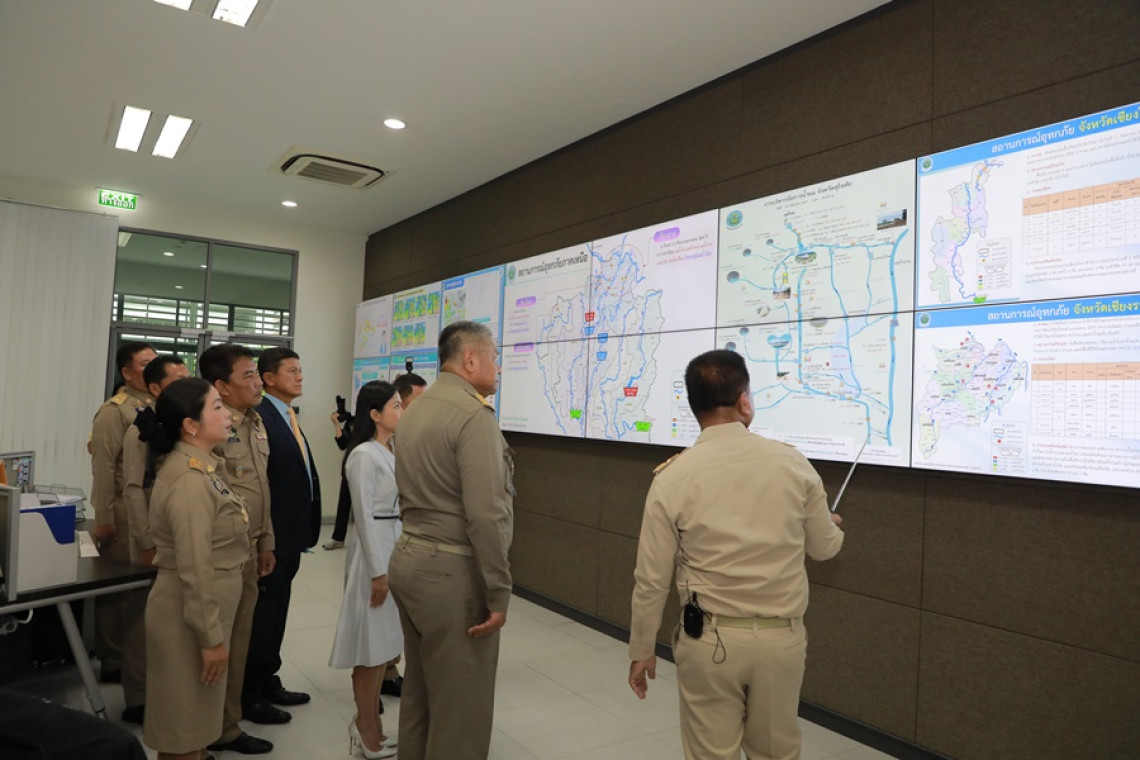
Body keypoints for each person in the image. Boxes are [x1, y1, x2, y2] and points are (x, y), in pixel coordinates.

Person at [627, 350, 845, 760]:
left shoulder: (673, 477)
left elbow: (651, 580)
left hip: (709, 642)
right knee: (777, 753)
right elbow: (824, 548)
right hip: (781, 641)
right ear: (744, 401)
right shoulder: (794, 464)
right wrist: (831, 525)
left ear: (692, 407)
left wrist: (641, 650)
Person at [389, 321, 514, 760]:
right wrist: (498, 591)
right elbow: (486, 515)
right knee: (461, 712)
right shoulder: (472, 416)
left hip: (410, 559)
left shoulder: (415, 409)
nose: (498, 367)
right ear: (471, 359)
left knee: (421, 696)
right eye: (494, 357)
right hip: (451, 574)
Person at [135, 378, 250, 760]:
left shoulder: (203, 468)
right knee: (183, 731)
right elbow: (195, 567)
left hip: (202, 615)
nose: (227, 414)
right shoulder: (188, 479)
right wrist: (210, 638)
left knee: (195, 725)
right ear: (190, 425)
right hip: (190, 619)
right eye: (217, 406)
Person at [198, 344, 277, 754]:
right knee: (217, 643)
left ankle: (227, 724)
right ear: (221, 386)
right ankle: (206, 729)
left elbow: (261, 486)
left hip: (250, 546)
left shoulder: (255, 420)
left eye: (257, 374)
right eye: (248, 376)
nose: (258, 382)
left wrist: (267, 540)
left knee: (240, 640)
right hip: (222, 553)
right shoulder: (209, 427)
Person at [328, 381, 405, 759]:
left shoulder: (389, 449)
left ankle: (371, 726)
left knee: (384, 646)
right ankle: (365, 727)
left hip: (393, 548)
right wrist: (378, 572)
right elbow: (363, 516)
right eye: (396, 405)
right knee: (370, 647)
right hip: (373, 557)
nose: (402, 411)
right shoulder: (362, 455)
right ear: (375, 414)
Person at [244, 348, 321, 721]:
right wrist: (267, 540)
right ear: (269, 378)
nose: (300, 376)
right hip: (273, 536)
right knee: (264, 614)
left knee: (277, 609)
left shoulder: (285, 415)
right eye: (292, 371)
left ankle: (268, 678)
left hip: (291, 534)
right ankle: (251, 692)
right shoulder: (260, 416)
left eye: (301, 370)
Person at [89, 341, 156, 717]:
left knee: (128, 596)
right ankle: (119, 666)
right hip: (123, 510)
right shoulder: (115, 411)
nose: (153, 367)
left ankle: (119, 663)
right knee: (124, 596)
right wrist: (103, 517)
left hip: (146, 508)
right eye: (145, 363)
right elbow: (103, 467)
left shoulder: (156, 405)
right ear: (127, 373)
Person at [377, 371, 425, 698]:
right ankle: (378, 675)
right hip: (387, 536)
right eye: (413, 403)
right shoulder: (377, 446)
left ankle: (389, 668)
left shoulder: (411, 438)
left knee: (399, 611)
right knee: (381, 610)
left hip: (409, 535)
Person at [322, 400, 354, 551]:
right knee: (344, 503)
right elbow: (342, 444)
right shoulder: (352, 421)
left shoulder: (374, 421)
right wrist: (336, 423)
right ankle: (338, 539)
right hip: (350, 467)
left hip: (367, 468)